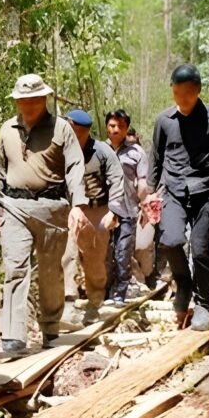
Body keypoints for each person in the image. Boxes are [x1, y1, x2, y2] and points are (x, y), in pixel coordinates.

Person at [0, 74, 90, 358]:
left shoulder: (61, 129)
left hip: (51, 208)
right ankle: (13, 337)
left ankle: (49, 327)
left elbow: (74, 167)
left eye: (34, 99)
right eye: (22, 100)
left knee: (49, 272)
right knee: (15, 268)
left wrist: (78, 205)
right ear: (17, 101)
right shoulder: (7, 129)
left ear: (44, 98)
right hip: (14, 207)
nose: (28, 105)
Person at [145, 64, 209, 330]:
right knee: (171, 240)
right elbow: (155, 156)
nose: (182, 99)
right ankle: (184, 284)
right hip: (173, 191)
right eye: (177, 93)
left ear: (198, 90)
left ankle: (203, 303)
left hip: (206, 191)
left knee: (201, 248)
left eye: (187, 94)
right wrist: (150, 191)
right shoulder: (164, 121)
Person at [60, 109, 126, 320]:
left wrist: (114, 211)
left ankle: (95, 301)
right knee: (66, 252)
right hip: (70, 210)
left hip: (98, 209)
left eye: (74, 131)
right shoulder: (59, 150)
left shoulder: (103, 151)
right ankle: (68, 300)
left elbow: (117, 180)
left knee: (95, 259)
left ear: (84, 131)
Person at [104, 109, 149, 306]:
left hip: (128, 210)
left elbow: (143, 182)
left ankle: (120, 293)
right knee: (104, 253)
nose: (116, 130)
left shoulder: (136, 153)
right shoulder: (98, 150)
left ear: (127, 128)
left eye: (121, 126)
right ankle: (103, 292)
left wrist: (145, 205)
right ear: (106, 127)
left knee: (123, 252)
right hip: (103, 211)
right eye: (112, 125)